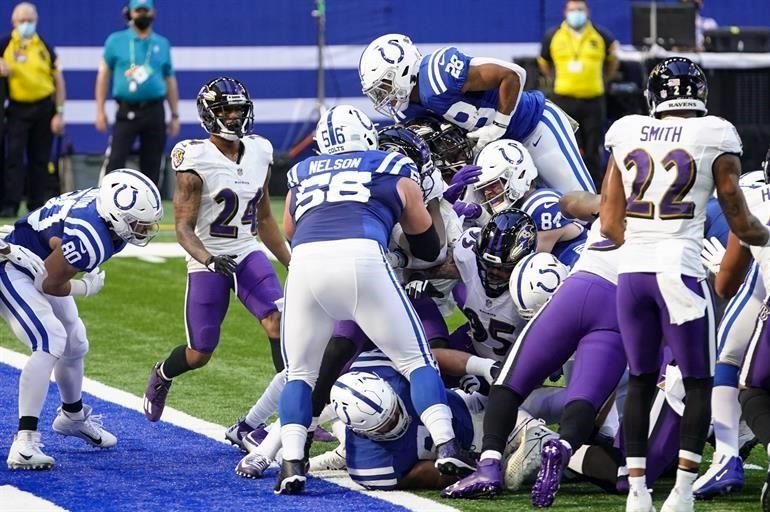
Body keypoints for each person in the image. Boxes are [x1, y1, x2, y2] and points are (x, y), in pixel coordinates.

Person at [275, 104, 474, 495]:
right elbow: (429, 247)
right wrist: (400, 247)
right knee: (417, 361)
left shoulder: (300, 173)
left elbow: (289, 230)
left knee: (299, 372)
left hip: (304, 265)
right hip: (362, 258)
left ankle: (292, 462)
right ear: (367, 133)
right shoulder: (391, 166)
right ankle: (447, 444)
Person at [600, 57, 770, 512]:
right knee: (698, 381)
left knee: (639, 379)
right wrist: (764, 237)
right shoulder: (715, 132)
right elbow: (735, 209)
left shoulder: (626, 130)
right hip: (680, 270)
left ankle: (637, 493)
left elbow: (610, 221)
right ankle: (680, 493)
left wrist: (642, 238)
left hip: (632, 270)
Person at [442, 192, 626, 505]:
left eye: (504, 270)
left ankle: (498, 462)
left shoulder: (546, 281)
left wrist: (600, 204)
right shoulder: (672, 230)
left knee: (516, 388)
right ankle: (576, 451)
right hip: (619, 304)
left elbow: (568, 205)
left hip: (579, 291)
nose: (496, 274)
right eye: (492, 267)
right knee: (586, 400)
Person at [142, 77, 289, 423]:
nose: (235, 116)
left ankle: (296, 415)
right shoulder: (194, 158)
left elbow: (265, 217)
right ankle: (163, 374)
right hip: (207, 257)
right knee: (200, 352)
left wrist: (291, 261)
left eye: (239, 109)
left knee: (278, 323)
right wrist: (208, 259)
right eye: (227, 110)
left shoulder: (261, 151)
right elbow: (182, 228)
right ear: (210, 114)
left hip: (246, 248)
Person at [3, 168, 163, 470]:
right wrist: (85, 287)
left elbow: (53, 252)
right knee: (51, 339)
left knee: (75, 342)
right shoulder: (93, 235)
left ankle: (72, 417)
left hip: (36, 261)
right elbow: (48, 283)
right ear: (116, 215)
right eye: (137, 223)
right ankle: (24, 442)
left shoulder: (103, 216)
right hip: (13, 266)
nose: (143, 229)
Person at [358, 33, 595, 195]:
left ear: (403, 67)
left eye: (385, 86)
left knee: (580, 202)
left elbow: (513, 75)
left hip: (533, 126)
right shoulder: (407, 110)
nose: (383, 96)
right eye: (378, 92)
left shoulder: (438, 75)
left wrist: (499, 125)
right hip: (495, 154)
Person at [94, 0, 179, 185]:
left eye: (145, 11)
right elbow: (103, 76)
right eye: (138, 11)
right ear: (129, 13)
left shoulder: (162, 43)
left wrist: (174, 114)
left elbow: (170, 80)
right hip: (127, 109)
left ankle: (149, 208)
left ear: (153, 13)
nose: (142, 15)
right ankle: (109, 201)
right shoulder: (115, 41)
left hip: (154, 109)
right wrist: (100, 110)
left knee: (152, 162)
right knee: (116, 158)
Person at [538, 0, 618, 186]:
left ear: (587, 11)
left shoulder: (600, 35)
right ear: (565, 12)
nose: (576, 13)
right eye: (573, 10)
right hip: (564, 100)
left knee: (592, 149)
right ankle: (567, 187)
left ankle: (594, 189)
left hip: (593, 101)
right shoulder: (553, 35)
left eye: (580, 9)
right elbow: (543, 62)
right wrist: (553, 79)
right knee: (566, 147)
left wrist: (604, 79)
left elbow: (613, 59)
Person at [0, 2, 65, 217]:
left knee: (40, 159)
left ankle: (36, 204)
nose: (26, 25)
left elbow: (58, 80)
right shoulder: (6, 44)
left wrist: (59, 111)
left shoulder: (44, 47)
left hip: (44, 109)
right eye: (22, 21)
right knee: (14, 158)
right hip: (18, 109)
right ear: (14, 22)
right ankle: (10, 203)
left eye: (30, 21)